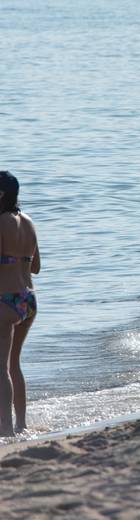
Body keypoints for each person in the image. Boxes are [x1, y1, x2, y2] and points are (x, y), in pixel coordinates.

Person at [0, 171, 39, 436]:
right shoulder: (29, 222)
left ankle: (5, 430)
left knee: (1, 367)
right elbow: (35, 267)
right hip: (28, 300)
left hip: (5, 300)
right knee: (14, 363)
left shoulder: (0, 222)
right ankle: (21, 424)